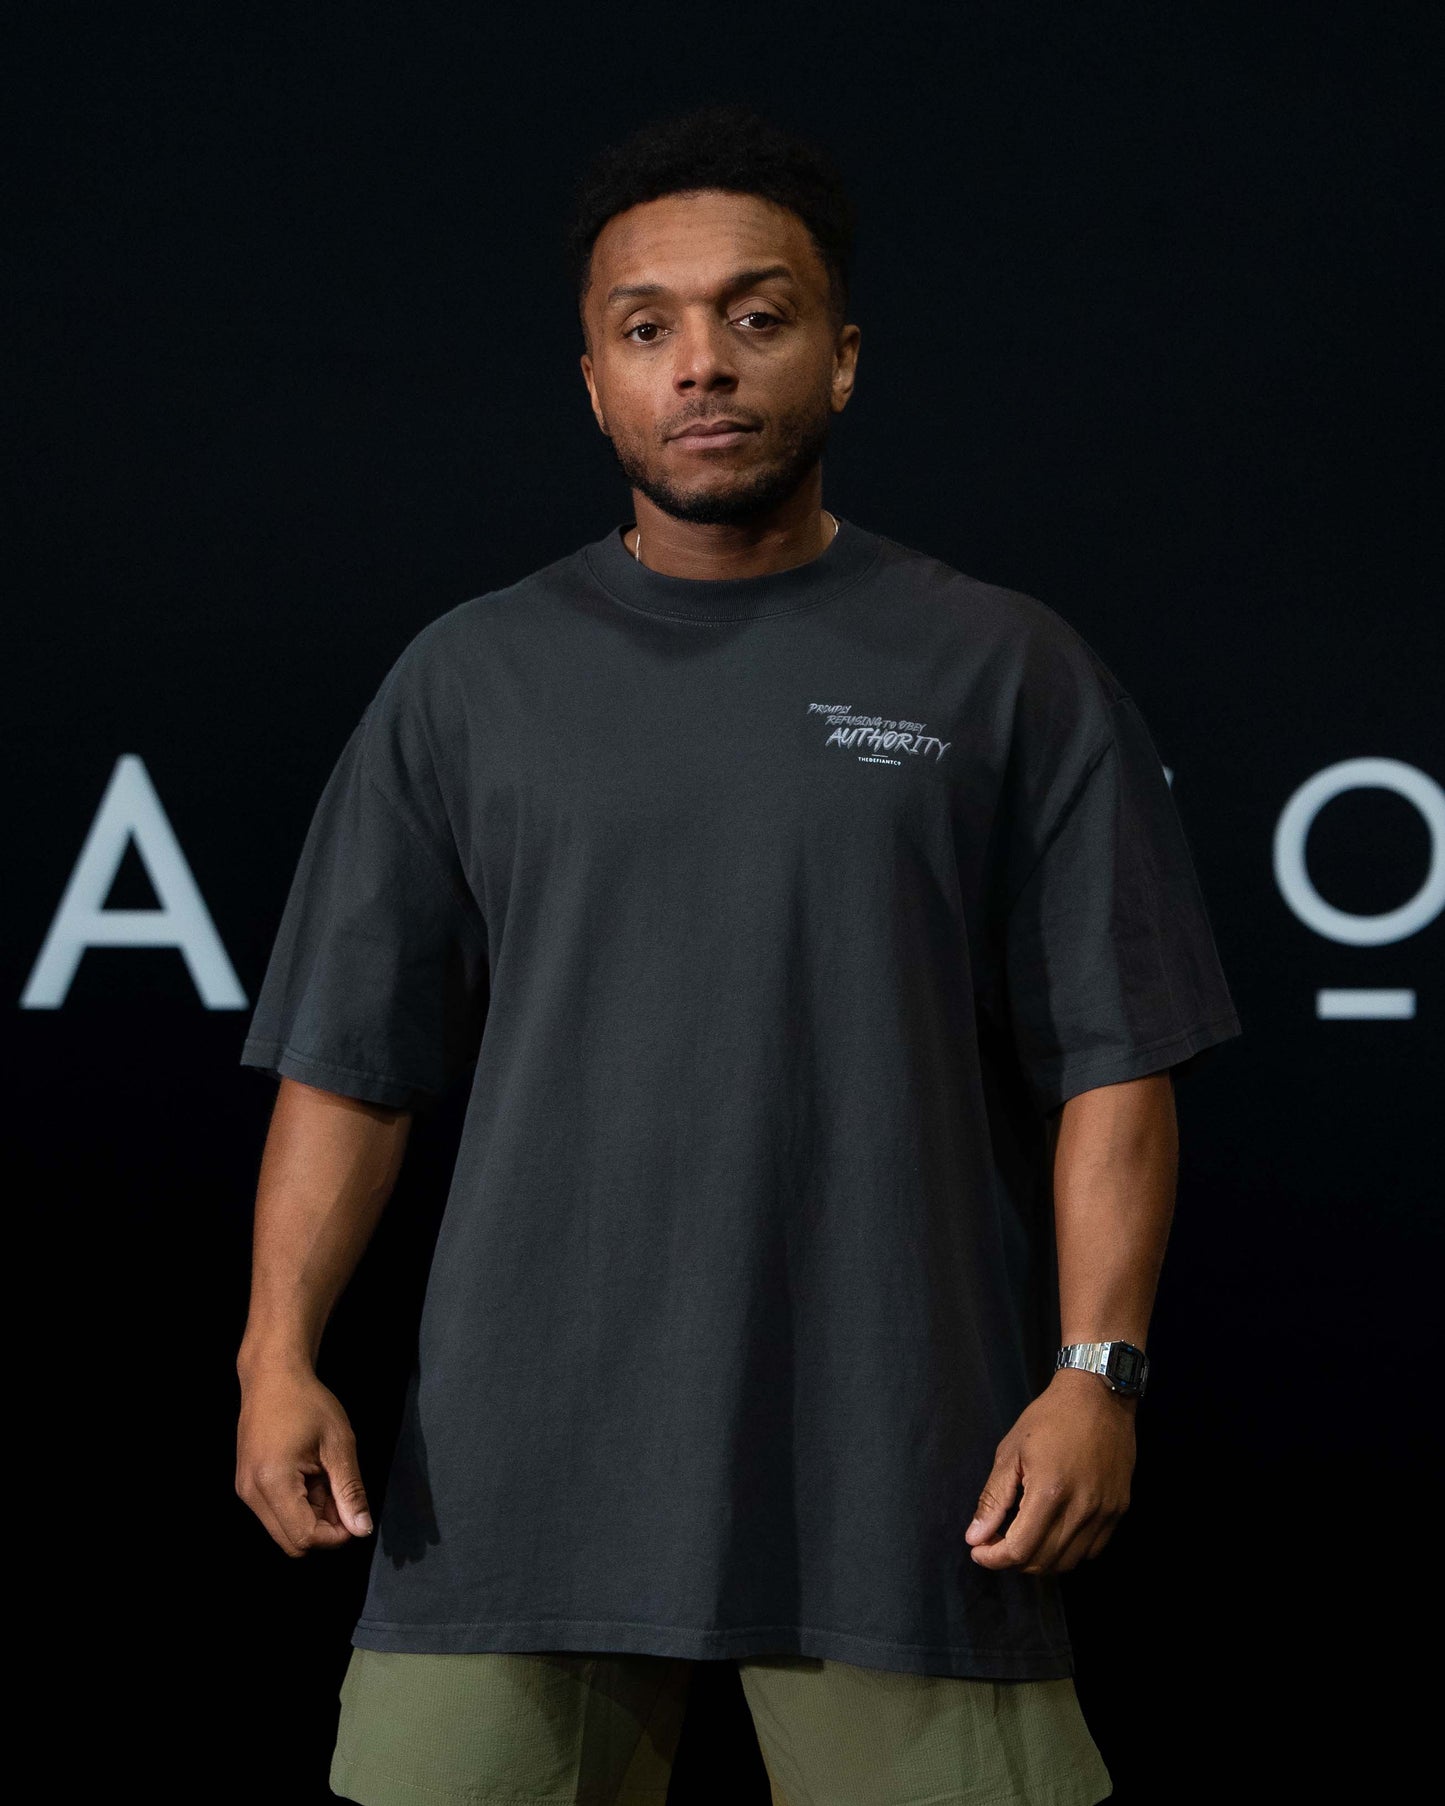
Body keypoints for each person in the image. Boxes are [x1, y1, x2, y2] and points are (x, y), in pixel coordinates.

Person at [234, 100, 1242, 1806]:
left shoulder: (1002, 669)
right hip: (508, 1486)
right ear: (594, 379)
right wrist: (274, 1354)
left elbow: (1113, 1061)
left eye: (754, 317)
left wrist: (1098, 1375)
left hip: (902, 1477)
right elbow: (354, 1058)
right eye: (650, 327)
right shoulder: (467, 681)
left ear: (840, 360)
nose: (701, 362)